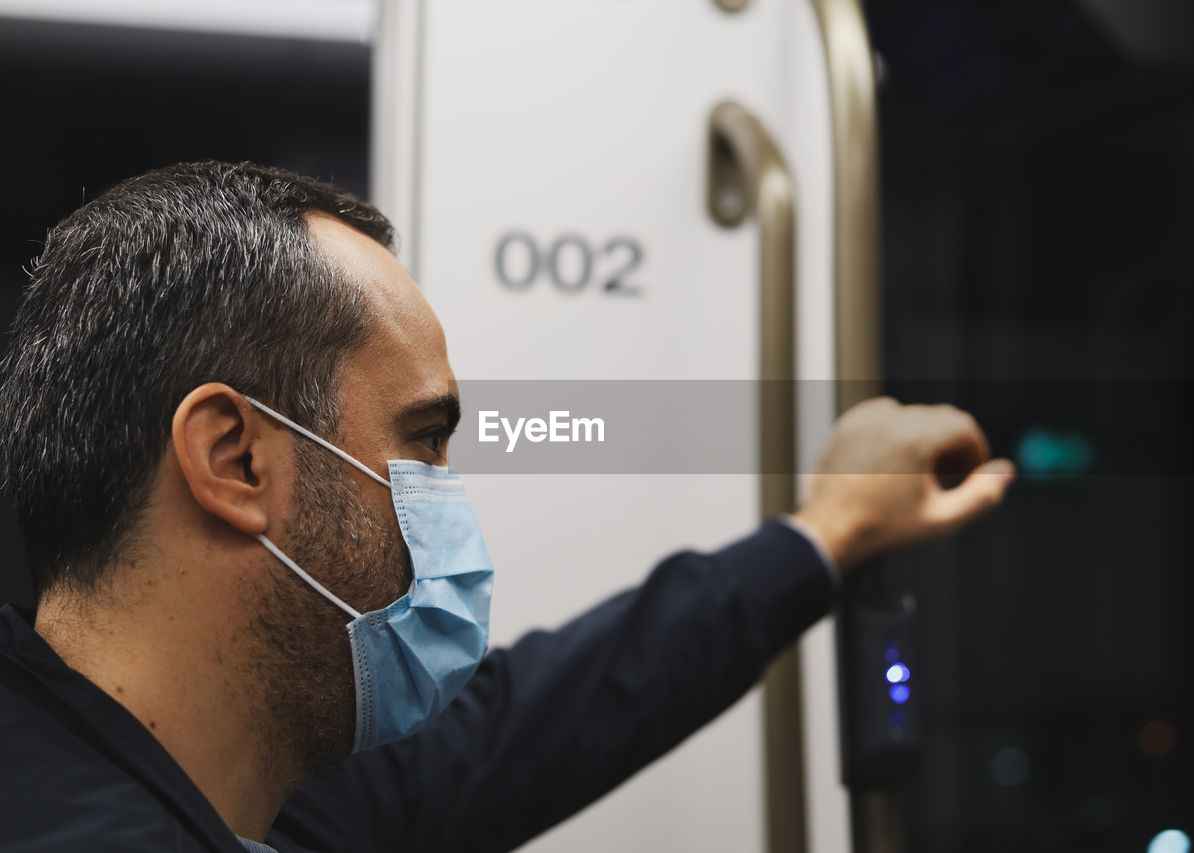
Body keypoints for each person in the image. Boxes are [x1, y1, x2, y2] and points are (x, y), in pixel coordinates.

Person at [0, 161, 1015, 852]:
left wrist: (824, 535)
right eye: (423, 438)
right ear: (236, 459)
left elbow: (541, 715)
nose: (446, 495)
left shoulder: (240, 787)